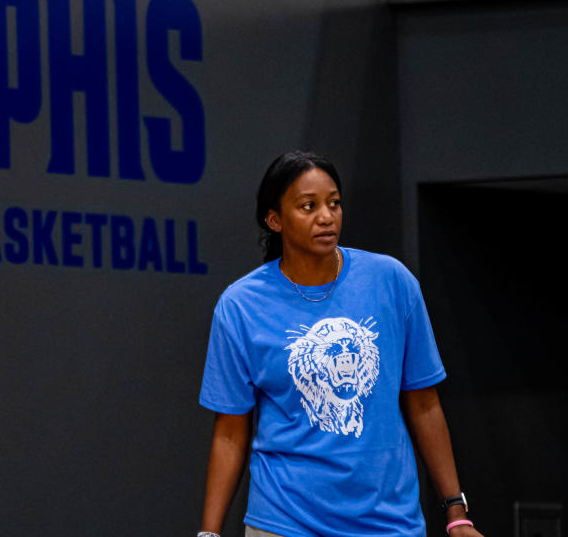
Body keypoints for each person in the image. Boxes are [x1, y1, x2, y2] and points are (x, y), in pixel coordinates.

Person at [197, 151, 482, 537]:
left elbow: (425, 404)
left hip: (388, 523)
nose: (326, 216)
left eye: (334, 203)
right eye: (308, 206)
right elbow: (231, 433)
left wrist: (456, 511)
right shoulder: (241, 305)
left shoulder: (392, 282)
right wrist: (209, 533)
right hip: (285, 522)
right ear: (274, 219)